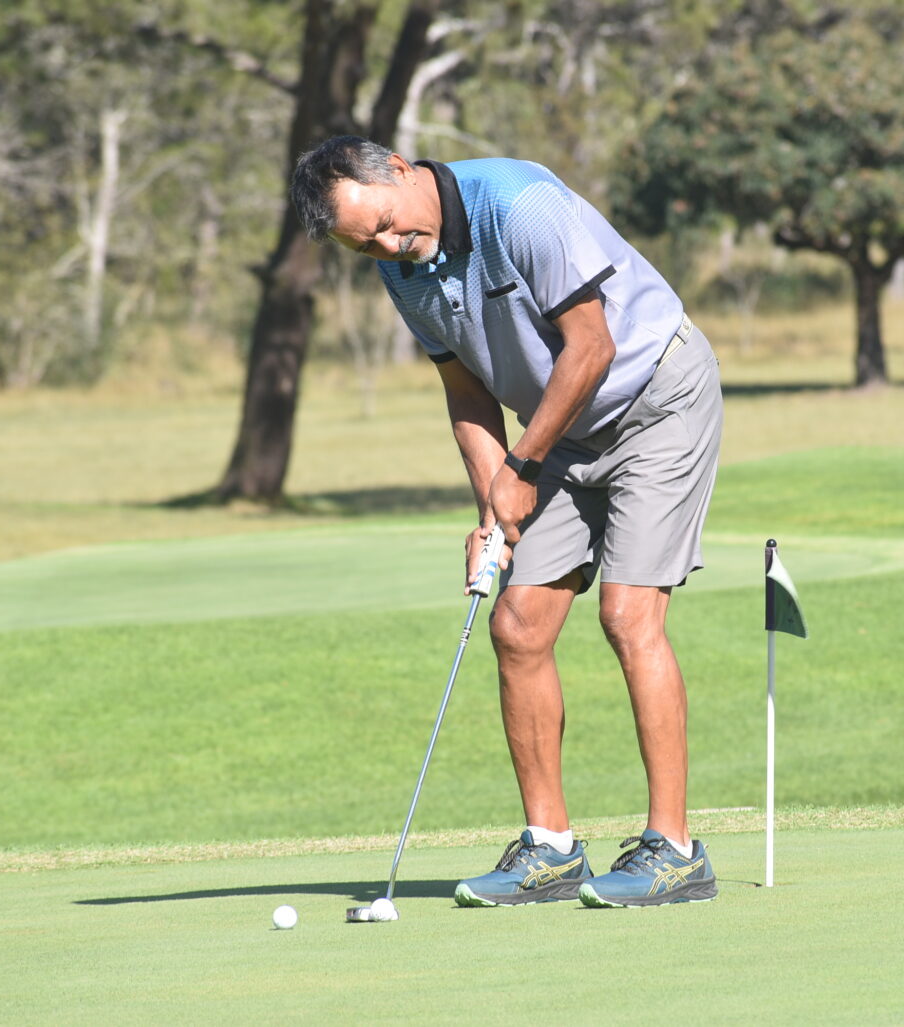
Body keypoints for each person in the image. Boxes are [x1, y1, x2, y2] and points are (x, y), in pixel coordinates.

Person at [290, 136, 724, 907]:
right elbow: (466, 392)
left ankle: (676, 850)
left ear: (397, 166)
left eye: (388, 223)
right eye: (368, 246)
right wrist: (493, 509)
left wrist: (520, 469)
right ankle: (552, 850)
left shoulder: (519, 205)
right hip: (553, 434)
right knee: (517, 626)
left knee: (628, 617)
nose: (391, 246)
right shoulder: (401, 271)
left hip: (655, 400)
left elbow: (592, 345)